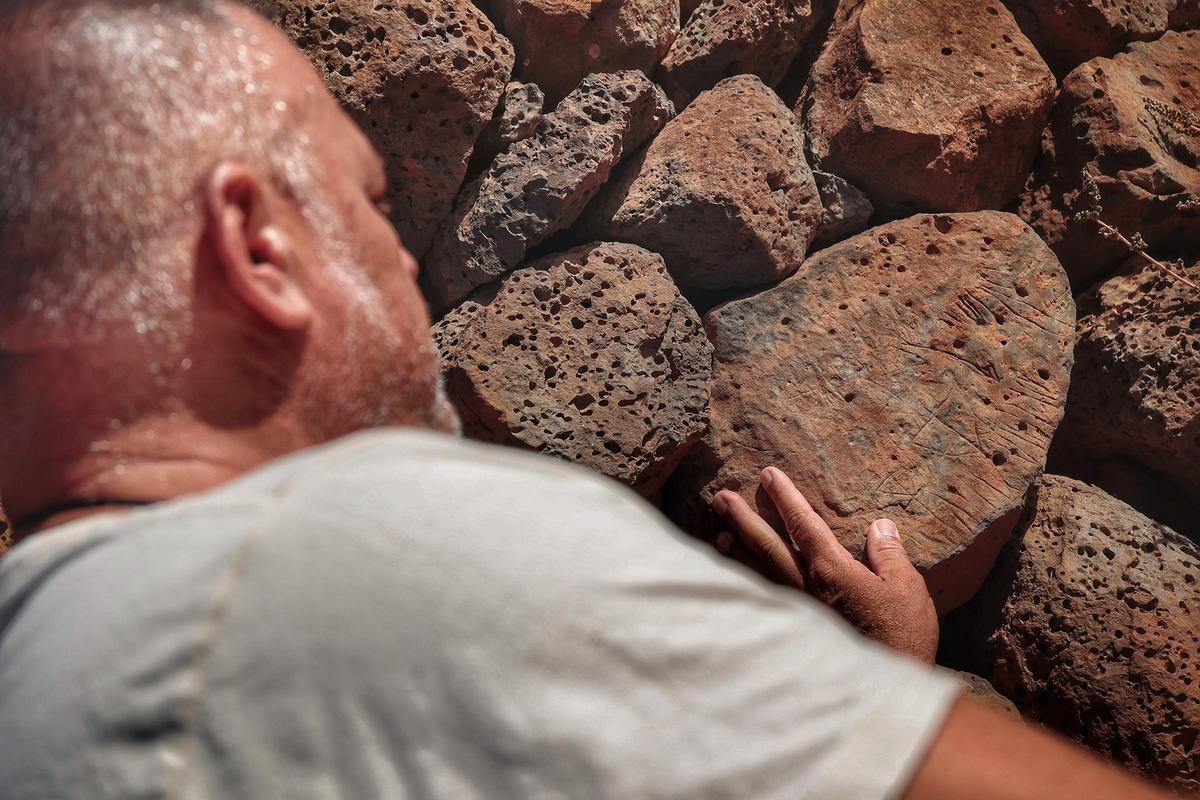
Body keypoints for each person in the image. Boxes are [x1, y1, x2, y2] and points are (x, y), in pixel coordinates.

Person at [0, 2, 1177, 798]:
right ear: (257, 245)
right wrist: (876, 704)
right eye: (369, 201)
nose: (410, 264)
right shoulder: (394, 554)